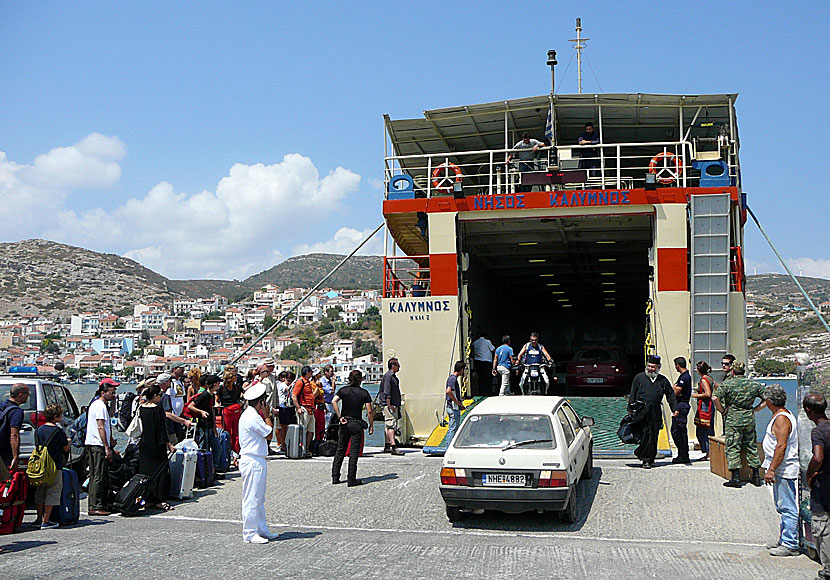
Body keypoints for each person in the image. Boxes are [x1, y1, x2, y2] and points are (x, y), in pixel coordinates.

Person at [760, 384, 799, 557]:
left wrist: (772, 470)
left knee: (787, 505)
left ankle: (790, 543)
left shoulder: (782, 419)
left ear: (769, 401)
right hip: (779, 468)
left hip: (784, 468)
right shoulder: (780, 416)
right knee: (782, 505)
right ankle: (785, 538)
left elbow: (781, 446)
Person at [712, 361, 765, 488]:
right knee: (751, 446)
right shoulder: (754, 385)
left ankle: (735, 477)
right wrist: (756, 409)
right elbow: (767, 398)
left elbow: (715, 398)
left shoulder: (727, 385)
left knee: (733, 447)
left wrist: (722, 410)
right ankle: (756, 476)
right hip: (749, 418)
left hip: (733, 419)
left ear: (733, 371)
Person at [238, 381, 279, 544]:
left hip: (257, 459)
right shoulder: (253, 417)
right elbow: (269, 434)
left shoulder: (251, 414)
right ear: (260, 402)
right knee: (252, 497)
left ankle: (261, 528)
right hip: (252, 459)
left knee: (259, 497)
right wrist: (268, 415)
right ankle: (249, 532)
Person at [629, 355, 678, 469]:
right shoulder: (639, 378)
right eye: (649, 366)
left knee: (653, 435)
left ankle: (648, 460)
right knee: (644, 434)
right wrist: (631, 409)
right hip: (641, 410)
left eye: (653, 367)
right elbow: (633, 394)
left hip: (655, 411)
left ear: (658, 367)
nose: (650, 369)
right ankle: (642, 453)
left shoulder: (663, 380)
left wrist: (674, 408)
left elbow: (670, 395)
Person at [331, 370, 374, 487]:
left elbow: (333, 401)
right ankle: (351, 479)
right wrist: (371, 425)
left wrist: (340, 416)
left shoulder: (343, 390)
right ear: (361, 379)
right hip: (356, 424)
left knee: (340, 450)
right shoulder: (364, 393)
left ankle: (335, 477)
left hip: (345, 422)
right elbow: (370, 411)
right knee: (353, 453)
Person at [138, 384, 176, 512]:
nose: (160, 397)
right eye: (159, 395)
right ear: (154, 396)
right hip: (156, 444)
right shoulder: (157, 409)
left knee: (146, 472)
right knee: (161, 472)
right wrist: (169, 444)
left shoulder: (141, 408)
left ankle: (147, 498)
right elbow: (161, 429)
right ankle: (160, 500)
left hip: (144, 444)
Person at [804, 393, 830, 576]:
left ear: (808, 411)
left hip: (823, 484)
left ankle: (828, 570)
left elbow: (818, 457)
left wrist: (810, 473)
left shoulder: (818, 432)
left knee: (823, 527)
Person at [33, 404, 70, 529]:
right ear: (56, 416)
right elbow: (65, 447)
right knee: (52, 491)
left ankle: (38, 518)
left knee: (40, 492)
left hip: (40, 464)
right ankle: (46, 520)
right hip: (53, 464)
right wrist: (69, 441)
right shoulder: (58, 431)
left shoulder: (38, 430)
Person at [85, 381, 118, 515]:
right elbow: (100, 427)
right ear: (103, 393)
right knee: (97, 475)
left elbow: (110, 416)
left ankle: (98, 503)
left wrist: (114, 402)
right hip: (97, 445)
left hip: (96, 444)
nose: (113, 395)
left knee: (98, 475)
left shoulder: (101, 405)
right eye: (111, 393)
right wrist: (106, 447)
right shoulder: (99, 406)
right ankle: (95, 505)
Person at [189, 374, 222, 471]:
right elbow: (191, 406)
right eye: (218, 383)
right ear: (215, 384)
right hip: (203, 427)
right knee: (203, 449)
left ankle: (212, 469)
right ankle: (204, 471)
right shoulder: (204, 395)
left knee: (217, 448)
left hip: (210, 426)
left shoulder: (211, 395)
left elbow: (211, 410)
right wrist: (201, 412)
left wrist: (214, 427)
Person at [0, 383, 30, 473]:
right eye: (27, 393)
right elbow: (14, 435)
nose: (28, 396)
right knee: (5, 482)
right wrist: (15, 457)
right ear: (20, 395)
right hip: (4, 452)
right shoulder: (16, 412)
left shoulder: (2, 406)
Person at [379, 358, 404, 455]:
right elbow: (387, 392)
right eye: (398, 365)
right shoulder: (389, 376)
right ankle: (393, 446)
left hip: (392, 404)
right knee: (391, 425)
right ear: (393, 365)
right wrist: (389, 405)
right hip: (390, 405)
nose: (399, 367)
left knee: (388, 425)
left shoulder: (391, 376)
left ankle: (387, 445)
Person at [690, 361, 715, 461]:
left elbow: (708, 394)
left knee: (702, 430)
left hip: (705, 406)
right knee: (708, 429)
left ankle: (708, 452)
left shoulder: (704, 380)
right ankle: (710, 452)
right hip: (709, 406)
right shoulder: (710, 378)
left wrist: (696, 395)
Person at [670, 357, 692, 464]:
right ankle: (682, 454)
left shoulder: (685, 377)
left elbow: (675, 392)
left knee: (678, 431)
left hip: (681, 406)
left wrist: (674, 388)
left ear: (677, 365)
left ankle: (683, 455)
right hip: (681, 405)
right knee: (677, 431)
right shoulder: (683, 376)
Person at [291, 366, 317, 458]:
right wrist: (298, 407)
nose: (312, 374)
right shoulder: (300, 382)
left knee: (311, 430)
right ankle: (301, 449)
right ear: (307, 373)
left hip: (311, 409)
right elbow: (294, 395)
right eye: (311, 372)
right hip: (304, 408)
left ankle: (306, 448)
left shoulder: (308, 382)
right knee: (302, 430)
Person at [218, 366, 243, 460]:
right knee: (227, 431)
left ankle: (236, 449)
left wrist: (241, 402)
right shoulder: (222, 388)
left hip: (235, 410)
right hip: (226, 411)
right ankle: (228, 449)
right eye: (234, 376)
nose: (236, 377)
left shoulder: (237, 388)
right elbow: (218, 400)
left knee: (236, 431)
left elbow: (242, 395)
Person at [159, 373, 192, 445]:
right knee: (175, 444)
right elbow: (167, 414)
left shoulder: (163, 393)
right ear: (165, 382)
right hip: (168, 427)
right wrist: (184, 421)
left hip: (174, 422)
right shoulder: (165, 395)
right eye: (170, 380)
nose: (171, 382)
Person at [257, 360, 279, 455]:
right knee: (265, 427)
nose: (272, 368)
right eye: (270, 366)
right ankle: (263, 447)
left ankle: (268, 446)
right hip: (265, 407)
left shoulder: (273, 378)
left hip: (272, 406)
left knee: (271, 426)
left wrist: (276, 405)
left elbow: (275, 393)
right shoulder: (262, 380)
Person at [445, 361, 467, 445]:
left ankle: (448, 447)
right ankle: (448, 448)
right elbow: (449, 391)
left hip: (454, 407)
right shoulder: (453, 379)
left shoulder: (452, 378)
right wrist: (457, 402)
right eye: (463, 370)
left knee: (452, 428)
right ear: (461, 369)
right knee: (453, 429)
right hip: (453, 408)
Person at [276, 371, 296, 453]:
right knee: (283, 427)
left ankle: (286, 443)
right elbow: (287, 389)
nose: (289, 382)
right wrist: (293, 384)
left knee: (288, 427)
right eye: (288, 380)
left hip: (289, 407)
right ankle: (282, 444)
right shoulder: (282, 385)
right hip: (283, 407)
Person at [472, 332, 495, 396]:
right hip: (486, 361)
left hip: (478, 361)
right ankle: (488, 391)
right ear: (485, 336)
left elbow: (472, 352)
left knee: (480, 377)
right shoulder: (487, 342)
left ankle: (481, 392)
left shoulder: (475, 342)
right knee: (487, 377)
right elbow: (493, 350)